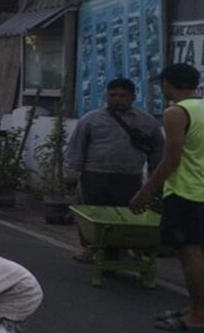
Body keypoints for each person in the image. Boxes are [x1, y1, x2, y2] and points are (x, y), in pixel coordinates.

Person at [130, 63, 204, 332]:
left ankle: (199, 315)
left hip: (187, 192)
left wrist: (145, 191)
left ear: (167, 84)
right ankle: (196, 307)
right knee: (196, 251)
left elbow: (172, 158)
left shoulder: (176, 112)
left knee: (189, 253)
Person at [65, 78, 163, 261]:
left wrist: (154, 183)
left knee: (126, 216)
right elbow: (76, 148)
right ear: (106, 96)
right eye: (113, 95)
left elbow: (157, 154)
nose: (117, 99)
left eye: (122, 95)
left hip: (129, 177)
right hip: (95, 175)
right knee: (92, 215)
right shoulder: (91, 119)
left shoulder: (147, 122)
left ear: (133, 97)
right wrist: (70, 175)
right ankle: (89, 249)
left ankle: (122, 249)